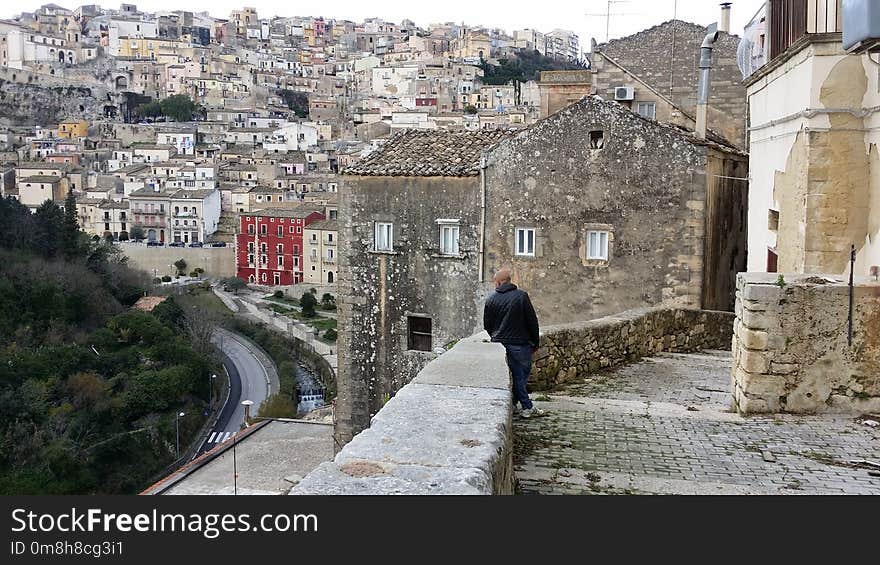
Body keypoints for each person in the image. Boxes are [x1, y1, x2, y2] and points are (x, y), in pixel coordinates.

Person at [483, 268, 544, 418]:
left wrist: (496, 336)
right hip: (520, 344)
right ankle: (527, 407)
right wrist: (535, 343)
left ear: (498, 282)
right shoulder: (521, 297)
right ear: (509, 281)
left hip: (499, 344)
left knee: (515, 377)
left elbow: (487, 325)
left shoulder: (491, 300)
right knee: (520, 377)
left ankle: (515, 405)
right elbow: (532, 322)